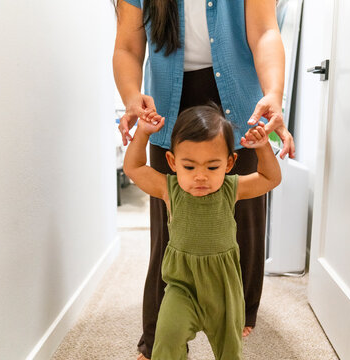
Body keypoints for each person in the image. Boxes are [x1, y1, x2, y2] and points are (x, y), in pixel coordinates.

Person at [112, 1, 295, 358]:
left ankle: (238, 313)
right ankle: (155, 340)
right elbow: (127, 47)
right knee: (169, 229)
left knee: (245, 221)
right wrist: (132, 97)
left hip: (239, 99)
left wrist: (273, 92)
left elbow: (265, 32)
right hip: (165, 105)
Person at [123, 103, 281, 360]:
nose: (200, 177)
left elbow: (270, 178)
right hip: (181, 285)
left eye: (212, 167)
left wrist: (263, 147)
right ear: (172, 162)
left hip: (224, 289)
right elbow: (134, 168)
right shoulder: (169, 188)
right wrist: (143, 133)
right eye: (189, 167)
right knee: (168, 338)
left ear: (229, 163)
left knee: (229, 351)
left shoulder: (232, 188)